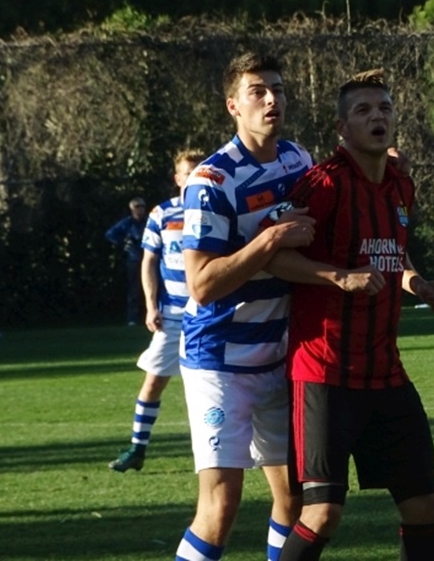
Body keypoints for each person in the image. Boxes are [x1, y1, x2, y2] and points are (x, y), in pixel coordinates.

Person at [265, 69, 434, 561]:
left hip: (386, 373)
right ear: (341, 128)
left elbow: (394, 254)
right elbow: (276, 256)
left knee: (426, 504)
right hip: (325, 373)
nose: (378, 117)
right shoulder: (322, 186)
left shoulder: (400, 187)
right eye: (364, 110)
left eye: (385, 108)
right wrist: (339, 277)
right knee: (322, 512)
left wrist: (419, 284)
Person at [175, 51, 317, 561]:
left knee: (295, 498)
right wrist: (270, 239)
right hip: (220, 361)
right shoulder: (212, 182)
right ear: (233, 105)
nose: (272, 99)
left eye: (277, 88)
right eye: (258, 91)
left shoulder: (296, 160)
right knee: (221, 506)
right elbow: (202, 283)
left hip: (279, 356)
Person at [108, 149, 204, 473]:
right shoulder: (162, 214)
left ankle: (223, 454)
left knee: (216, 386)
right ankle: (137, 448)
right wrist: (151, 306)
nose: (192, 178)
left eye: (198, 171)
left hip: (208, 314)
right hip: (173, 315)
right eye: (187, 173)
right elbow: (149, 261)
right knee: (153, 383)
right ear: (177, 179)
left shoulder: (218, 209)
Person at [105, 196, 148, 325]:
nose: (140, 209)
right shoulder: (127, 223)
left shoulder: (149, 221)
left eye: (142, 206)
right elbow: (109, 234)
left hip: (149, 258)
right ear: (132, 209)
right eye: (137, 206)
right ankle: (132, 319)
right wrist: (123, 242)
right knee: (134, 289)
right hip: (134, 258)